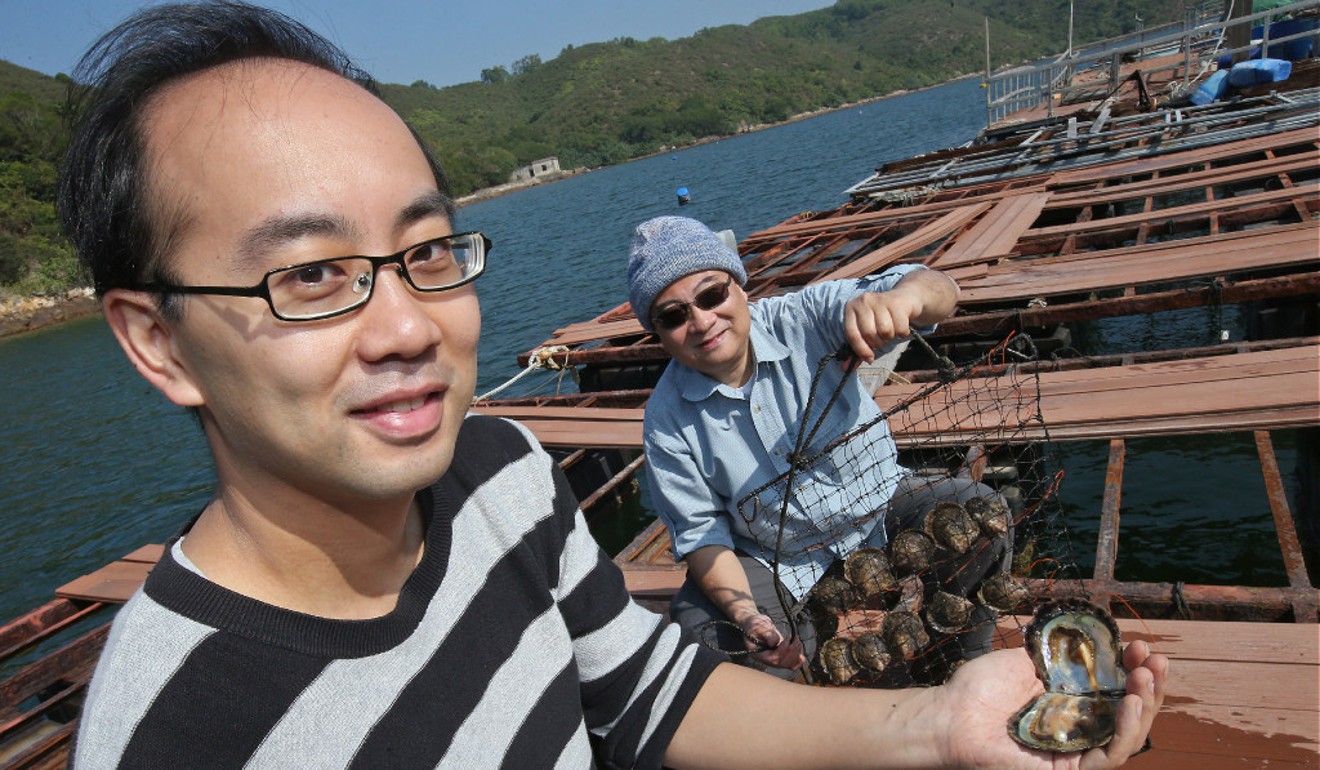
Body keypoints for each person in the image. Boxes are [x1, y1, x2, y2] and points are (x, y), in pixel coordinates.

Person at [58, 3, 1166, 769]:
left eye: (428, 251)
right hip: (788, 564)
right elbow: (704, 552)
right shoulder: (174, 731)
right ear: (157, 341)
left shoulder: (501, 472)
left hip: (872, 520)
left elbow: (647, 694)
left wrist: (940, 724)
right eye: (310, 274)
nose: (404, 324)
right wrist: (742, 608)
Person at [631, 215, 1008, 680]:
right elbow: (702, 535)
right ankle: (800, 695)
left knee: (980, 508)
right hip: (777, 554)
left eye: (712, 295)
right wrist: (750, 618)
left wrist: (901, 299)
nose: (702, 321)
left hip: (880, 505)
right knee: (709, 628)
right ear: (660, 335)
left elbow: (940, 289)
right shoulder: (665, 421)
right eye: (673, 316)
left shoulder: (805, 316)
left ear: (740, 288)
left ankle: (955, 666)